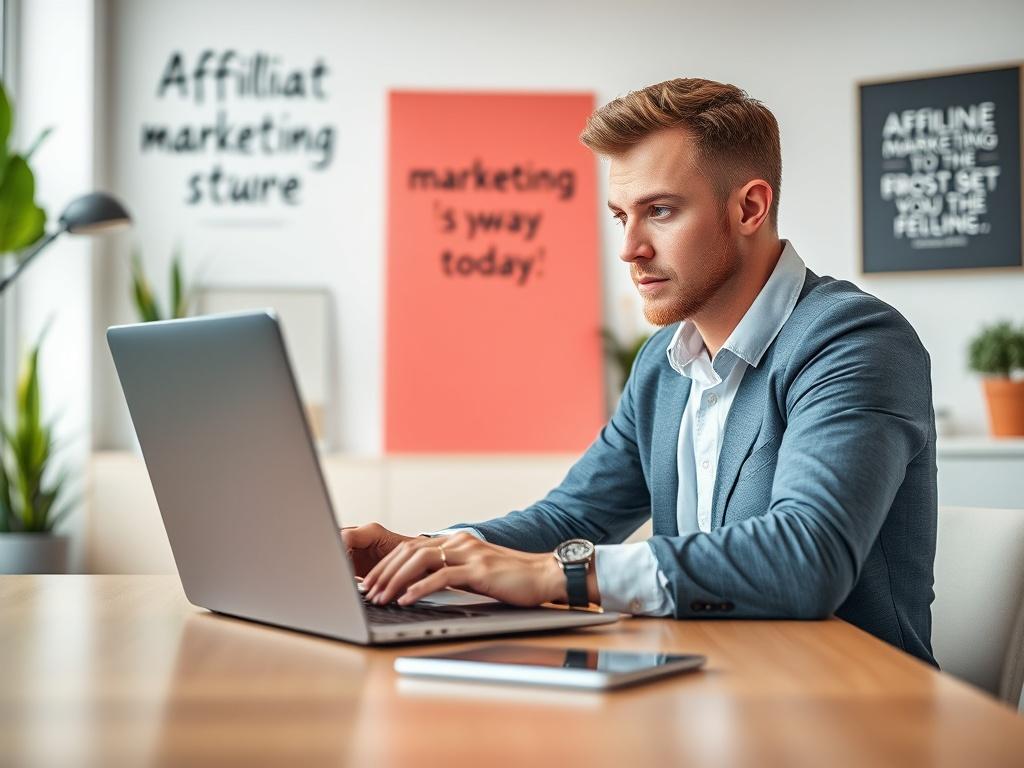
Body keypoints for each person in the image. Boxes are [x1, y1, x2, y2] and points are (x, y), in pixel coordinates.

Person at [343, 77, 938, 665]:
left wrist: (563, 576)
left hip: (850, 712)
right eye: (620, 216)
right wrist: (430, 553)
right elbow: (573, 517)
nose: (630, 248)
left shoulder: (854, 342)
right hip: (706, 687)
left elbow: (809, 558)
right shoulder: (664, 363)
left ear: (750, 207)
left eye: (659, 211)